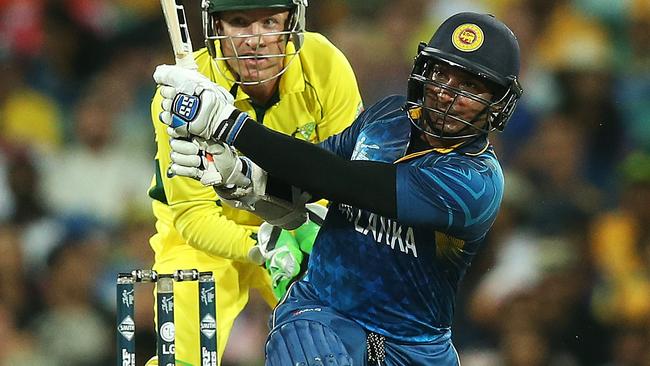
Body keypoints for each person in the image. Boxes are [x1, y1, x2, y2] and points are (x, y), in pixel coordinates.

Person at [155, 11, 522, 366]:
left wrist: (230, 125)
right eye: (442, 74)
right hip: (323, 309)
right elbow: (304, 182)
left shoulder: (475, 183)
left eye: (470, 86)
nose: (446, 93)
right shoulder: (388, 116)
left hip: (412, 342)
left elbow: (341, 181)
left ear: (497, 103)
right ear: (425, 69)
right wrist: (240, 177)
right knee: (308, 350)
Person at [146, 0, 363, 364]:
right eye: (239, 22)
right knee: (181, 357)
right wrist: (260, 247)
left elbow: (348, 178)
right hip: (206, 234)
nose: (256, 39)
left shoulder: (325, 65)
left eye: (270, 22)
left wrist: (309, 232)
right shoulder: (179, 92)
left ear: (293, 23)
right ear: (216, 27)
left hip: (298, 220)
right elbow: (192, 215)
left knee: (349, 340)